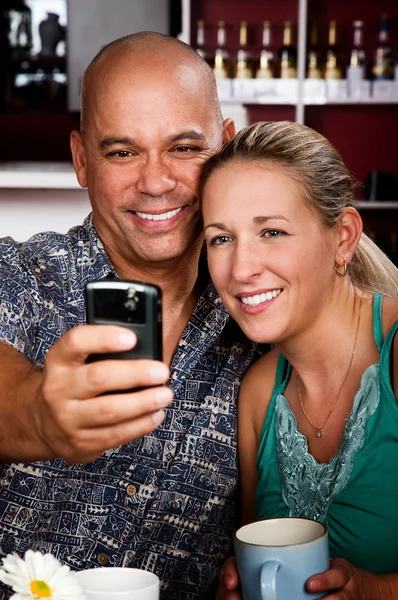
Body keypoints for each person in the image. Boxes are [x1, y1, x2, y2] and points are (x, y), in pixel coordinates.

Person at [0, 33, 261, 600]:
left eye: (186, 148)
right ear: (81, 161)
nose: (156, 181)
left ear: (226, 147)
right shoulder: (22, 274)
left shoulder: (263, 311)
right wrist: (38, 414)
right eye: (122, 152)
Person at [200, 121, 398, 600]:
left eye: (272, 231)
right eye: (220, 238)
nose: (242, 269)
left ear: (344, 237)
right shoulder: (258, 394)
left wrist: (375, 591)